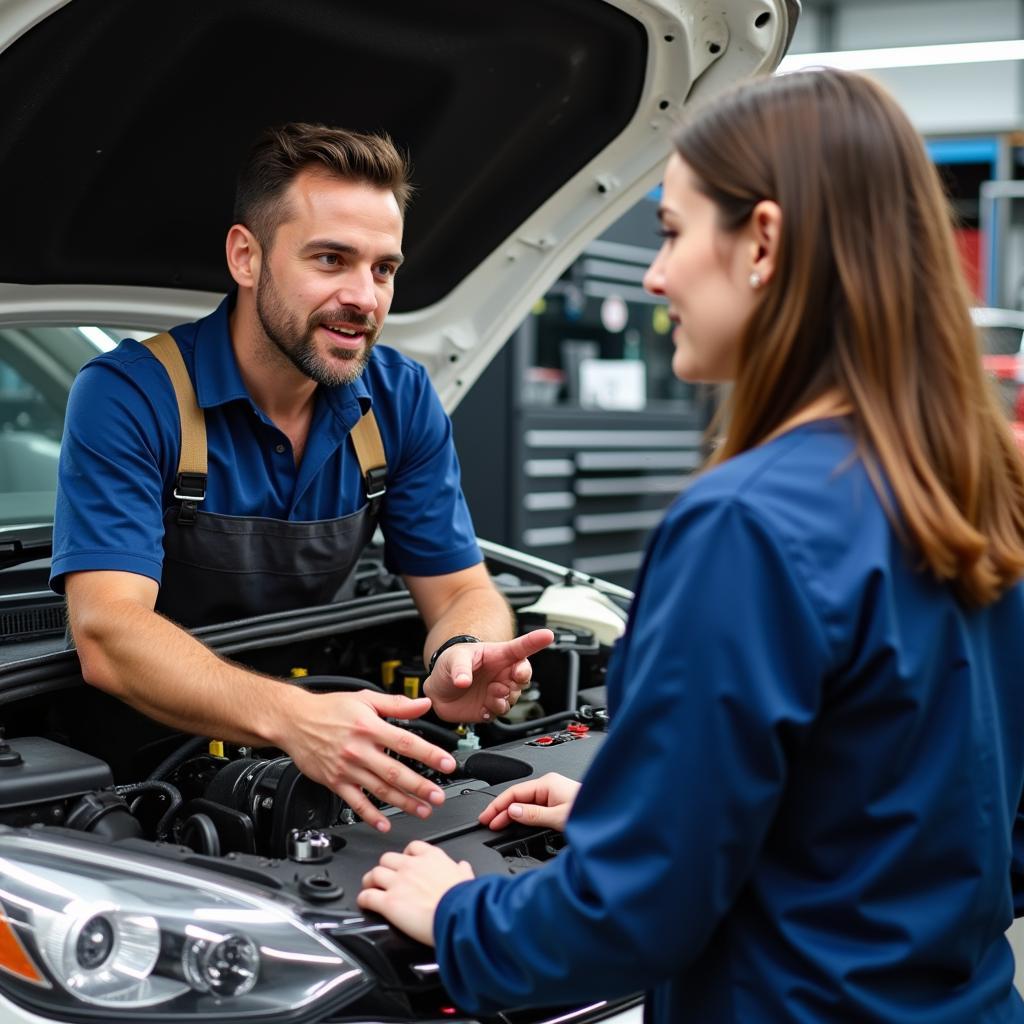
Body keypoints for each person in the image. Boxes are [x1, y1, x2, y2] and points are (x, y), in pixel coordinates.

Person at [357, 69, 1024, 1021]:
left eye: (672, 232)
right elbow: (964, 822)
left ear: (763, 242)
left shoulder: (746, 525)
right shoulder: (978, 493)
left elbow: (628, 923)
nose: (656, 275)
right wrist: (647, 820)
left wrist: (463, 914)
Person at [51, 123, 551, 832]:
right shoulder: (132, 395)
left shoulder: (400, 399)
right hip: (145, 774)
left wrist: (463, 653)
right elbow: (108, 631)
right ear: (246, 256)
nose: (365, 297)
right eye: (331, 259)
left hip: (334, 735)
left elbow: (464, 588)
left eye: (383, 268)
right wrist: (296, 721)